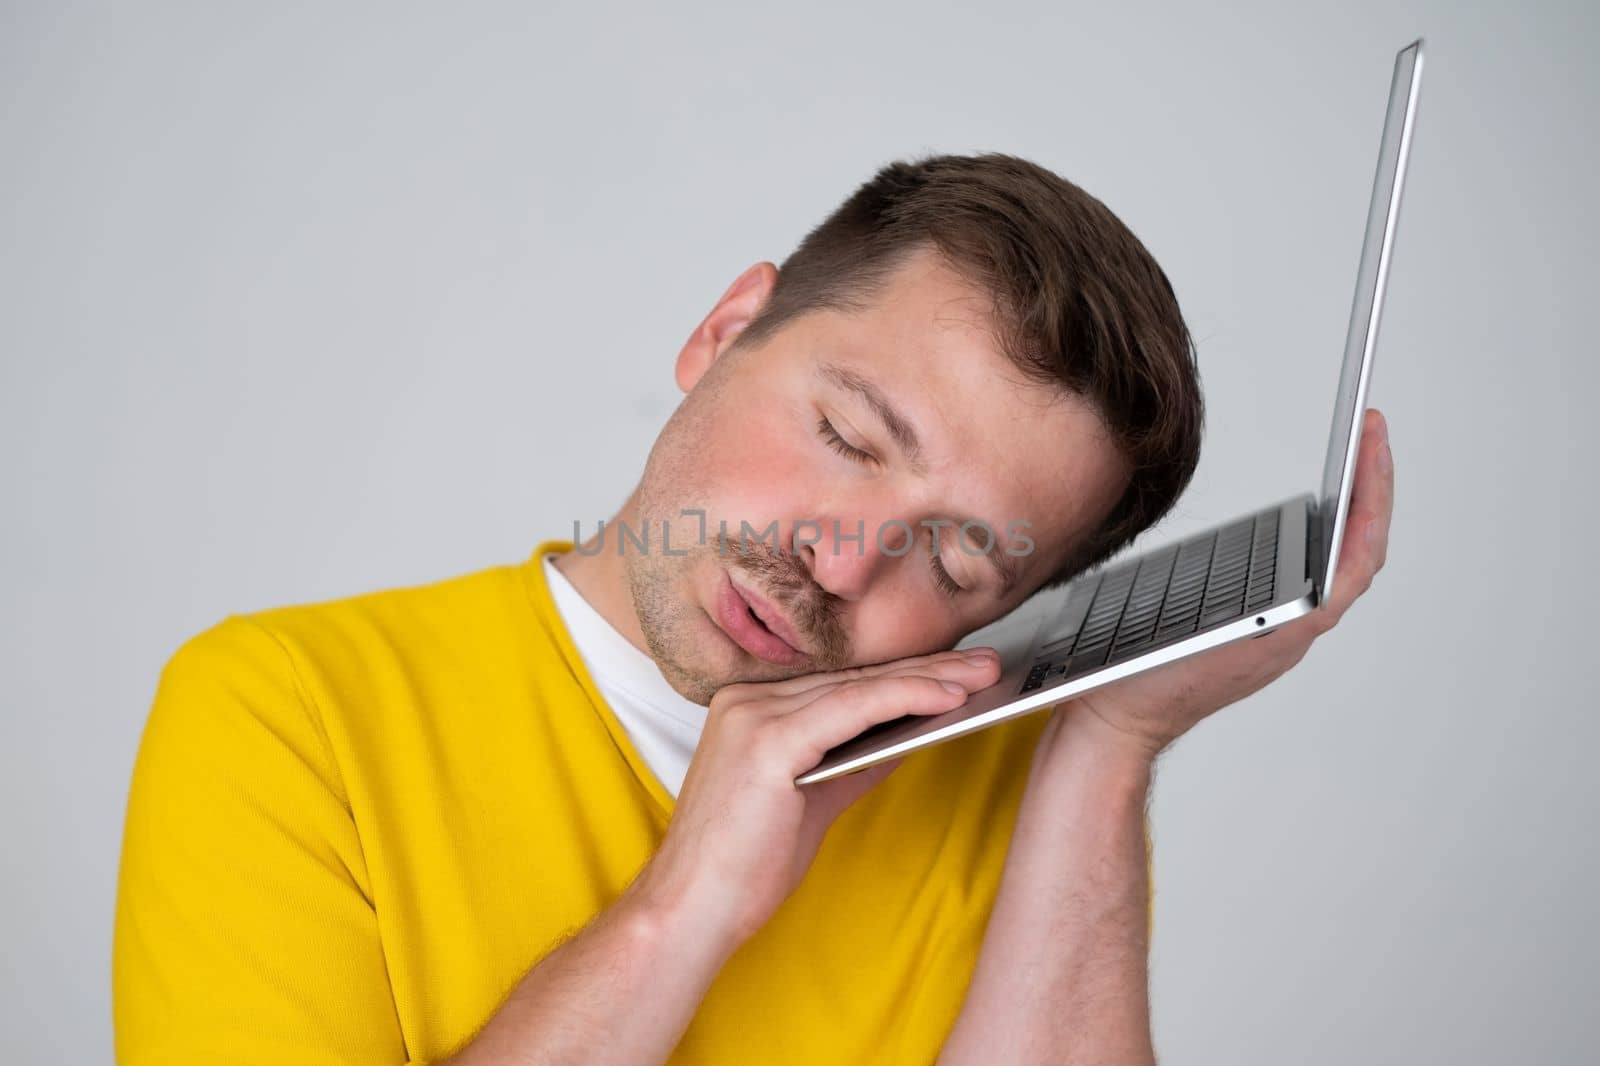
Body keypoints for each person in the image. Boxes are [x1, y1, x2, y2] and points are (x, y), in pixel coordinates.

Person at [112, 153, 1393, 1065]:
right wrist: (682, 910)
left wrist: (1106, 752)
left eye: (955, 566)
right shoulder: (288, 709)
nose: (841, 560)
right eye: (843, 434)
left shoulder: (1010, 795)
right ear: (722, 332)